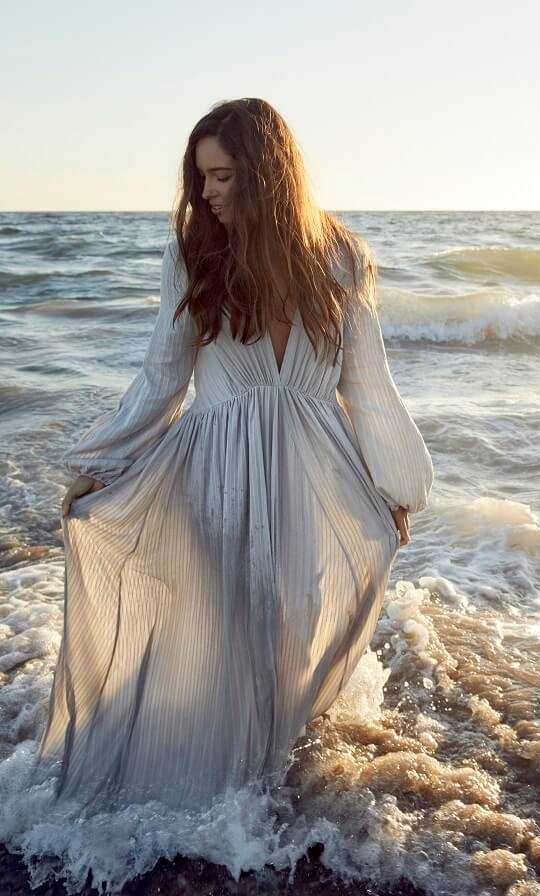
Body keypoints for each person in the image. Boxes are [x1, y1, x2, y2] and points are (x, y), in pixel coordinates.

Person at [34, 98, 434, 812]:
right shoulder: (194, 255)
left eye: (222, 177)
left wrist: (398, 485)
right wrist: (102, 463)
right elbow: (163, 375)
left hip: (319, 471)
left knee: (294, 619)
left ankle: (268, 783)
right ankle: (231, 795)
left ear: (265, 171)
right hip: (217, 465)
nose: (208, 195)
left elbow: (370, 384)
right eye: (202, 180)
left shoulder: (341, 256)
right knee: (237, 622)